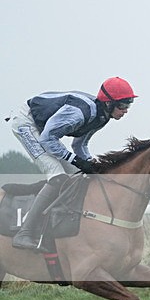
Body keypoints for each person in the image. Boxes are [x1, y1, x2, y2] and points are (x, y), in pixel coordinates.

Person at [8, 77, 137, 251]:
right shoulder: (80, 113)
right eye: (122, 105)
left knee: (78, 174)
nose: (126, 110)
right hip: (27, 123)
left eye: (128, 105)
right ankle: (25, 233)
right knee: (58, 176)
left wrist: (92, 165)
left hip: (46, 130)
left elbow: (79, 145)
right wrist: (75, 160)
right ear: (108, 103)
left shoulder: (102, 117)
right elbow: (47, 139)